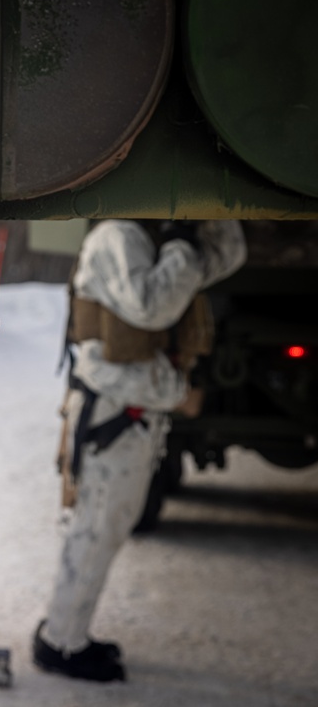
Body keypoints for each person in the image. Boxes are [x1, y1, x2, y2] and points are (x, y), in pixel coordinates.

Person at [33, 218, 246, 682]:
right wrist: (181, 244)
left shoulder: (150, 237)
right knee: (94, 530)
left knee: (106, 527)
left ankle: (65, 631)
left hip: (132, 411)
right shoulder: (118, 235)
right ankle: (61, 643)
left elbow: (228, 254)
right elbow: (153, 308)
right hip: (113, 410)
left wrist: (204, 221)